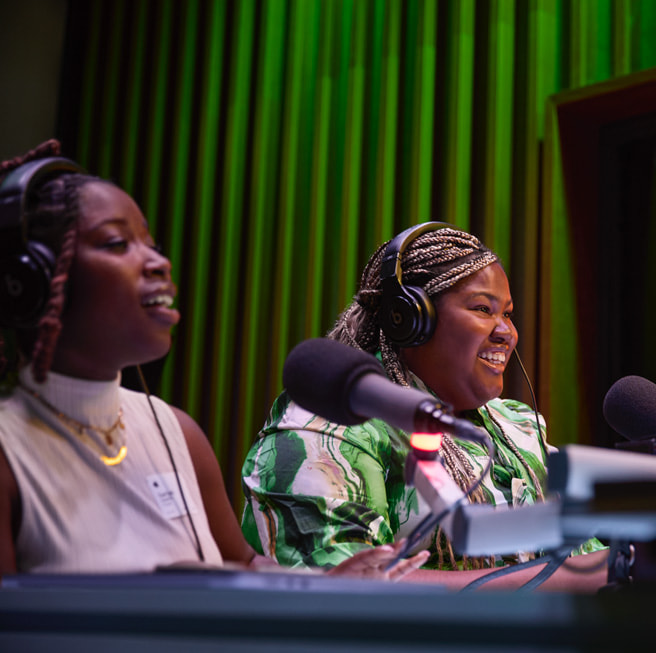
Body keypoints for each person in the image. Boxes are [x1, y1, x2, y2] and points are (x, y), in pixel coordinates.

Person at [0, 140, 427, 580]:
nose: (157, 262)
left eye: (153, 244)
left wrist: (329, 584)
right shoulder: (7, 449)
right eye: (116, 243)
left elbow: (242, 566)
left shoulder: (177, 432)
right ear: (29, 280)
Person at [241, 222, 608, 591]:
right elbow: (343, 590)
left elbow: (587, 562)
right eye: (483, 309)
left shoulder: (519, 431)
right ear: (412, 320)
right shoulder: (329, 424)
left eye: (508, 314)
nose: (505, 332)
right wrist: (567, 578)